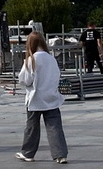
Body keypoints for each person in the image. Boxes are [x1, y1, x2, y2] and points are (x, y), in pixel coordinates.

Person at [16, 32, 68, 164]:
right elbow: (57, 76)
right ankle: (60, 155)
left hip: (35, 99)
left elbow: (25, 80)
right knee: (54, 127)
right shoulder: (51, 59)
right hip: (51, 97)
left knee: (32, 127)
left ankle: (28, 153)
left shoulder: (31, 59)